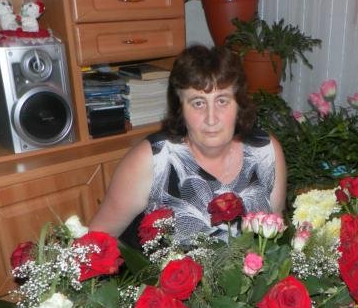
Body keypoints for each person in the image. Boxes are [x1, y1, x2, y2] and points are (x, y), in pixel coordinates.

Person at [89, 44, 287, 246]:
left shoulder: (267, 153)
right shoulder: (151, 160)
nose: (211, 118)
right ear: (180, 109)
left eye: (222, 101)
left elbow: (274, 239)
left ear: (239, 105)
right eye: (198, 103)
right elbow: (95, 243)